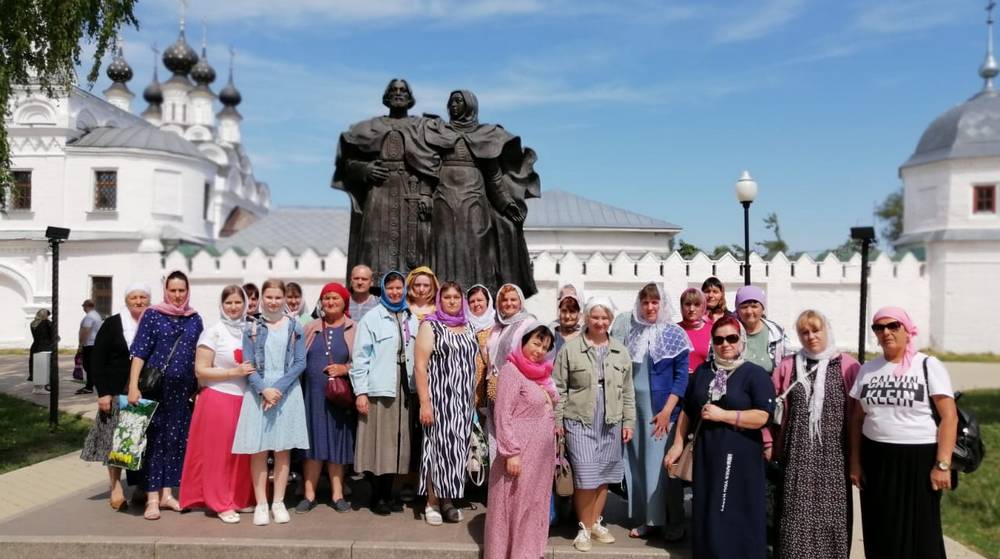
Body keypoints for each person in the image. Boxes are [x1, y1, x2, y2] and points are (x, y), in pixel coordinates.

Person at [848, 307, 957, 559]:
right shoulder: (868, 369)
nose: (886, 332)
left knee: (921, 532)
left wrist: (942, 464)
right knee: (880, 528)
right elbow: (856, 419)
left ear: (907, 330)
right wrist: (855, 462)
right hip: (876, 459)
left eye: (893, 326)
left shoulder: (928, 366)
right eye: (879, 327)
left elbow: (949, 416)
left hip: (919, 459)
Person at [664, 315, 775, 559]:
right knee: (709, 507)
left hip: (741, 452)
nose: (725, 344)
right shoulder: (703, 372)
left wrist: (724, 415)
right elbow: (688, 410)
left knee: (737, 509)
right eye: (719, 339)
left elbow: (763, 416)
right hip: (708, 451)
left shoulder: (754, 374)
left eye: (732, 338)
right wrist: (678, 444)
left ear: (741, 340)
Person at [768, 310, 860, 558]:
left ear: (826, 329)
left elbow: (858, 414)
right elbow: (771, 408)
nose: (811, 337)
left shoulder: (848, 366)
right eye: (804, 332)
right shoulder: (788, 365)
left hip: (834, 456)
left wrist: (856, 459)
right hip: (797, 454)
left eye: (815, 330)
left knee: (832, 514)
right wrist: (770, 444)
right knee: (795, 511)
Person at [553, 297, 635, 553]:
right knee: (586, 476)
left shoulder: (620, 350)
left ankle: (595, 522)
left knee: (605, 476)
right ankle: (584, 528)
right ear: (587, 318)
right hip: (580, 419)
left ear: (611, 320)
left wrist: (628, 421)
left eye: (605, 318)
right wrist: (557, 420)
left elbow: (628, 390)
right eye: (595, 317)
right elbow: (558, 387)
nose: (600, 322)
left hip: (611, 420)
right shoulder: (571, 349)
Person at [333, 78, 438, 278]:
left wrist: (426, 193)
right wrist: (365, 170)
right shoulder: (370, 127)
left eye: (403, 91)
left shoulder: (420, 127)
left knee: (412, 245)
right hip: (379, 191)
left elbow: (430, 163)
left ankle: (412, 289)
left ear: (410, 97)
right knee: (375, 242)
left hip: (410, 191)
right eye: (394, 90)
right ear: (387, 97)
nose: (398, 93)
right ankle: (372, 287)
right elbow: (347, 163)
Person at [126, 271, 204, 520]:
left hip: (182, 393)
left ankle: (168, 494)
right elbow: (139, 352)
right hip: (154, 389)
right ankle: (151, 498)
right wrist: (133, 386)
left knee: (175, 441)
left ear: (188, 291)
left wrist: (199, 388)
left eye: (182, 290)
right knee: (154, 441)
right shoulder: (153, 314)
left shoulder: (195, 319)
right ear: (166, 291)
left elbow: (198, 356)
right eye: (173, 290)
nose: (178, 295)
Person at [232, 279, 310, 526]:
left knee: (282, 450)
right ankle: (261, 503)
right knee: (258, 449)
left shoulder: (295, 326)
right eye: (269, 297)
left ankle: (278, 501)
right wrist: (264, 390)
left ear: (284, 299)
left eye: (278, 297)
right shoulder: (252, 328)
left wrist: (277, 389)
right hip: (259, 392)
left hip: (286, 391)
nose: (274, 302)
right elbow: (248, 366)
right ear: (262, 299)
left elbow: (300, 363)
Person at [177, 285, 255, 523]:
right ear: (222, 305)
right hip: (219, 398)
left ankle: (238, 498)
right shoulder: (213, 332)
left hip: (245, 399)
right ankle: (219, 502)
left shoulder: (250, 330)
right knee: (219, 455)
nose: (233, 307)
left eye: (238, 302)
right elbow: (201, 370)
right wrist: (233, 372)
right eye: (228, 303)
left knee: (241, 454)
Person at [618, 283, 690, 541]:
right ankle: (646, 518)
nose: (650, 307)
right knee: (638, 465)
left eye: (655, 302)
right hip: (635, 409)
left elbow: (681, 378)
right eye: (645, 302)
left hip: (661, 411)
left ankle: (668, 521)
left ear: (663, 304)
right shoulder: (633, 331)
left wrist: (667, 411)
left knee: (661, 468)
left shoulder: (675, 333)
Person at [484, 323, 559, 559]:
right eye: (536, 343)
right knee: (511, 507)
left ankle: (526, 552)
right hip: (520, 453)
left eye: (545, 347)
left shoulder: (541, 374)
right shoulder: (511, 371)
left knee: (531, 506)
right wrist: (511, 452)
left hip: (540, 457)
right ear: (523, 341)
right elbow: (502, 414)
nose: (539, 350)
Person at [350, 271, 420, 515]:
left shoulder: (411, 317)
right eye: (390, 287)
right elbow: (360, 358)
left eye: (399, 287)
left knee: (397, 444)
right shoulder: (372, 318)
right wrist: (360, 392)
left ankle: (389, 492)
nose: (395, 292)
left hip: (404, 389)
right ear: (383, 289)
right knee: (377, 445)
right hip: (379, 389)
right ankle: (376, 495)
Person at [80, 283, 150, 510]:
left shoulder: (153, 322)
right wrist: (103, 393)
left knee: (142, 440)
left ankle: (141, 486)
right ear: (126, 300)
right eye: (134, 297)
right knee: (116, 441)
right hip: (116, 391)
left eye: (143, 297)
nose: (138, 301)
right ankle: (115, 486)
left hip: (145, 391)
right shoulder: (112, 324)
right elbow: (97, 360)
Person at [415, 281, 479, 525]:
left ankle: (448, 500)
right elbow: (420, 367)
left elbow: (473, 364)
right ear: (440, 300)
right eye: (447, 297)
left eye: (456, 297)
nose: (452, 301)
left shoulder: (468, 326)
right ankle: (431, 502)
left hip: (462, 402)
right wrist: (425, 402)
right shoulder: (431, 325)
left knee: (456, 451)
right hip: (439, 399)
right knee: (436, 449)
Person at [298, 282, 357, 514]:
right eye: (326, 298)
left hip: (338, 398)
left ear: (344, 303)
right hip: (312, 396)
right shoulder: (310, 327)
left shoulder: (354, 328)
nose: (330, 302)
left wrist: (345, 369)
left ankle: (337, 494)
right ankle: (309, 494)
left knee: (337, 445)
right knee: (312, 444)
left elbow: (363, 360)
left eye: (335, 298)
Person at [734, 286, 787, 373]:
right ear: (737, 309)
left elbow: (786, 367)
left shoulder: (776, 334)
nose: (749, 311)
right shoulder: (728, 332)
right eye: (744, 307)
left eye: (754, 306)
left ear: (763, 309)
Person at [466, 284, 494, 411]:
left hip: (489, 383)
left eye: (480, 300)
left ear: (487, 301)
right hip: (467, 384)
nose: (476, 304)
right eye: (472, 301)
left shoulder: (497, 324)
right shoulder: (462, 325)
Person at [678, 288, 712, 373]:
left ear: (703, 307)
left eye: (696, 304)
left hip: (703, 382)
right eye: (687, 304)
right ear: (682, 306)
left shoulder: (712, 330)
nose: (692, 309)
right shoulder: (674, 330)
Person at [76, 299, 104, 394]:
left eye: (83, 306)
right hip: (95, 343)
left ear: (87, 306)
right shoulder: (96, 315)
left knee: (88, 366)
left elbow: (86, 330)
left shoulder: (89, 317)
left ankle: (89, 387)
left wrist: (81, 344)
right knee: (90, 365)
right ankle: (91, 385)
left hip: (89, 344)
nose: (83, 308)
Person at [552, 290, 583, 354]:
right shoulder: (551, 335)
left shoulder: (584, 337)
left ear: (579, 314)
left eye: (572, 311)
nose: (567, 316)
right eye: (564, 311)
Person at [28, 309, 54, 383]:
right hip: (46, 347)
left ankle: (37, 385)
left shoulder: (33, 323)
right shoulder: (47, 323)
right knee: (47, 367)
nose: (48, 317)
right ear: (44, 316)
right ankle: (45, 385)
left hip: (35, 346)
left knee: (36, 366)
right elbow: (53, 335)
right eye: (47, 316)